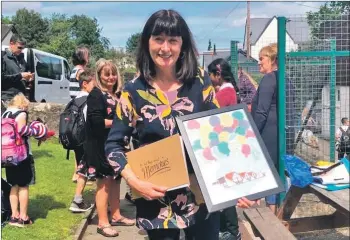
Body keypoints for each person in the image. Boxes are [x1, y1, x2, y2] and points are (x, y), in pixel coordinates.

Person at [105, 9, 259, 240]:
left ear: (182, 45)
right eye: (158, 39)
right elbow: (113, 146)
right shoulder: (133, 91)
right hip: (155, 199)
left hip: (202, 195)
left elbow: (221, 133)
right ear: (147, 43)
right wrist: (135, 182)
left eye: (173, 40)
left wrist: (241, 185)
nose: (165, 48)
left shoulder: (199, 82)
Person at [83, 59, 135, 237]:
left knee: (115, 180)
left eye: (113, 73)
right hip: (100, 145)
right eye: (107, 74)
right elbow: (96, 122)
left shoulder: (118, 94)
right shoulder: (96, 95)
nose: (111, 77)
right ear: (99, 75)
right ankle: (102, 223)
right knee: (104, 182)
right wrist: (120, 122)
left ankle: (116, 215)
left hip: (117, 144)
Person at [251, 43, 295, 214]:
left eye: (262, 58)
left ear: (272, 60)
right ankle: (281, 213)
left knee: (268, 174)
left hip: (268, 133)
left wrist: (252, 133)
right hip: (283, 133)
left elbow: (261, 111)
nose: (259, 62)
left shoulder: (269, 79)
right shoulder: (286, 78)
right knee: (279, 173)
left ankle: (271, 215)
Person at [2, 93, 48, 227]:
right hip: (21, 155)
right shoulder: (21, 113)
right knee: (23, 185)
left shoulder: (5, 113)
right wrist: (37, 130)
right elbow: (22, 131)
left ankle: (13, 216)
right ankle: (23, 216)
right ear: (23, 104)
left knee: (13, 185)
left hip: (7, 155)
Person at [208, 58, 241, 240]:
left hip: (222, 146)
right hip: (226, 145)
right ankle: (228, 228)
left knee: (225, 188)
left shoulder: (223, 93)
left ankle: (231, 230)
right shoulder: (228, 90)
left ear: (218, 74)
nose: (210, 78)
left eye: (211, 74)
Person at [69, 68, 96, 213]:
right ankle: (78, 201)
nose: (95, 86)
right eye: (93, 83)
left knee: (83, 170)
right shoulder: (87, 100)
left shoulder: (75, 100)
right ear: (85, 84)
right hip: (88, 140)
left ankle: (78, 200)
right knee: (89, 171)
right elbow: (89, 121)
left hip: (77, 140)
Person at [69, 46, 90, 182]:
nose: (89, 57)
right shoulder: (81, 71)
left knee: (77, 144)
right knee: (83, 143)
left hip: (74, 106)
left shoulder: (73, 70)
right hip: (82, 107)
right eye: (87, 55)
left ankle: (77, 173)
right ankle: (80, 173)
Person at [1, 34, 34, 106]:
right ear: (11, 44)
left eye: (23, 48)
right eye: (19, 47)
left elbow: (24, 75)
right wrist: (20, 75)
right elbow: (2, 78)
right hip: (8, 98)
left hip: (21, 97)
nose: (21, 50)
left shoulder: (21, 58)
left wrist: (28, 78)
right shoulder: (2, 57)